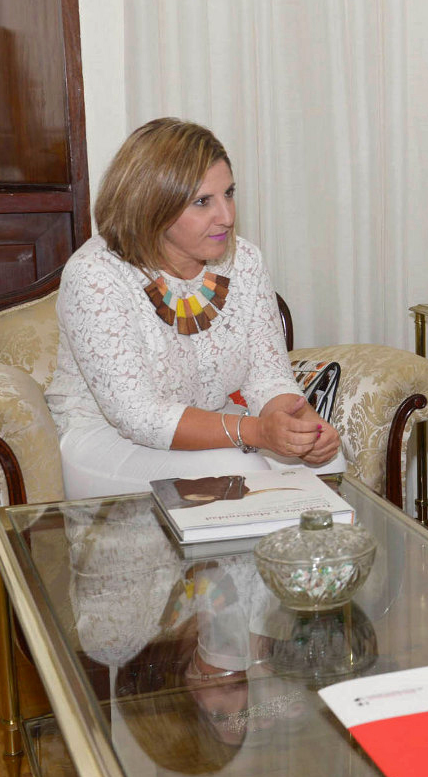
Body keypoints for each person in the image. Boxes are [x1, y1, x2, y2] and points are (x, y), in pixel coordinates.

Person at [46, 118, 344, 499]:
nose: (227, 216)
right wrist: (256, 432)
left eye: (229, 194)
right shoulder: (95, 274)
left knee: (327, 462)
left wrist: (303, 426)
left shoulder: (245, 260)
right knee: (241, 471)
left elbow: (267, 377)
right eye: (203, 201)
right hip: (108, 440)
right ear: (153, 205)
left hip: (218, 433)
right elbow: (140, 417)